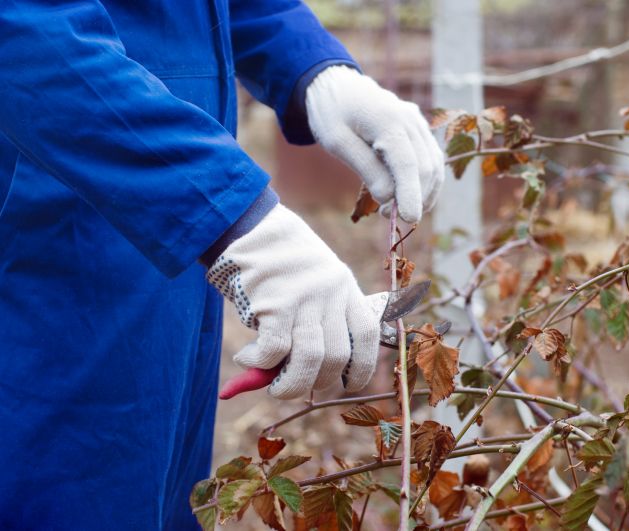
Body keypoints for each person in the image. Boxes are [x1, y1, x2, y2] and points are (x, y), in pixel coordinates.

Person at [0, 1, 444, 529]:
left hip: (168, 229)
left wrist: (313, 65)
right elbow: (22, 27)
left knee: (160, 491)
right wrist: (228, 212)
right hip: (56, 216)